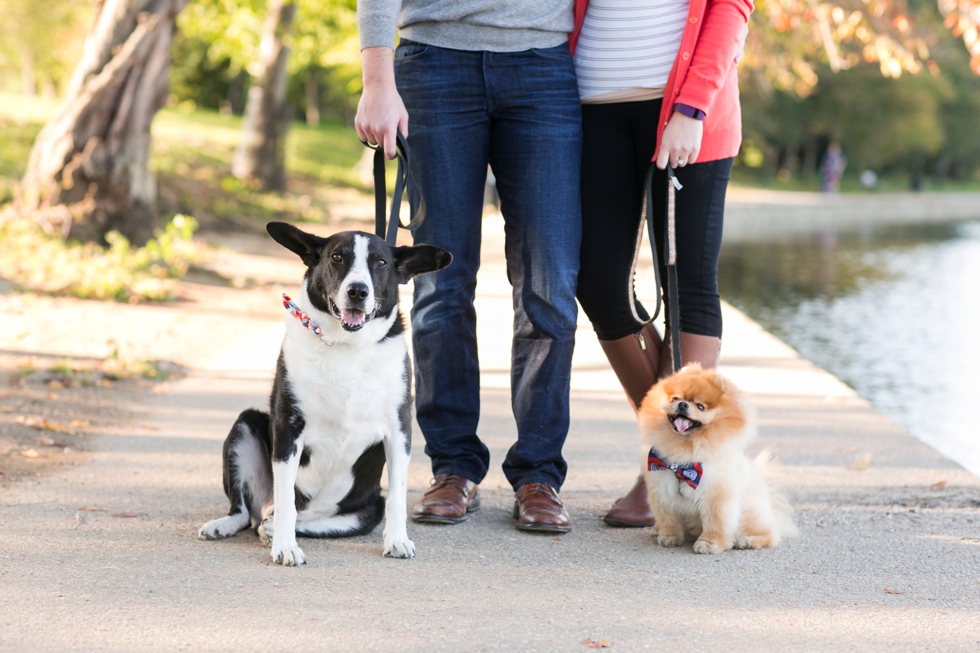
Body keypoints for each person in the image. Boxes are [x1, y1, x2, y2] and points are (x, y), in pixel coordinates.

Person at [355, 2, 582, 533]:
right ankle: (452, 467)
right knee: (440, 284)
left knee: (549, 287)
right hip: (433, 61)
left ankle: (539, 474)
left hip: (543, 64)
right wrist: (377, 79)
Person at [570, 0, 753, 526]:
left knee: (688, 283)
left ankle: (674, 463)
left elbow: (731, 9)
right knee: (598, 281)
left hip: (687, 110)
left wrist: (692, 107)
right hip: (592, 109)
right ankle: (679, 450)